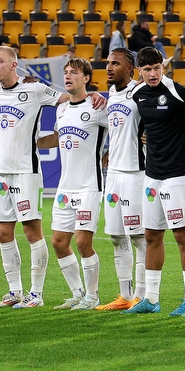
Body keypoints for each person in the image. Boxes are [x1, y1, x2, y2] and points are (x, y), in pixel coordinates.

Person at [0, 46, 92, 308]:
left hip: (26, 172)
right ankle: (15, 292)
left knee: (32, 233)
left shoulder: (34, 89)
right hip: (0, 173)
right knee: (2, 233)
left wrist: (95, 98)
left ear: (14, 65)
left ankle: (36, 294)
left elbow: (68, 98)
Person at [124, 46, 185, 314]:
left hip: (178, 174)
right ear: (139, 71)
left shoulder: (177, 91)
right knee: (151, 236)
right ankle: (152, 300)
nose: (153, 73)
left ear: (162, 67)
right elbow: (142, 123)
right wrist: (144, 133)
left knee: (182, 235)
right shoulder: (137, 93)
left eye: (157, 68)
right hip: (152, 175)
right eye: (147, 69)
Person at [35, 58, 109, 310]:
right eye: (66, 72)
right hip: (65, 188)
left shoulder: (98, 106)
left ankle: (93, 296)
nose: (68, 76)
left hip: (89, 185)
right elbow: (58, 137)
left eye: (74, 73)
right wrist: (32, 143)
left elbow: (121, 134)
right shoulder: (62, 109)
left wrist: (108, 158)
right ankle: (77, 293)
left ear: (86, 78)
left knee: (82, 242)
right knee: (58, 242)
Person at [97, 48, 147, 311]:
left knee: (139, 237)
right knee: (117, 237)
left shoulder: (140, 92)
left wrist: (151, 132)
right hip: (113, 175)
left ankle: (142, 295)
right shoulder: (110, 95)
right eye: (107, 63)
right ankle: (124, 296)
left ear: (130, 69)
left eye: (115, 63)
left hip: (135, 173)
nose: (109, 67)